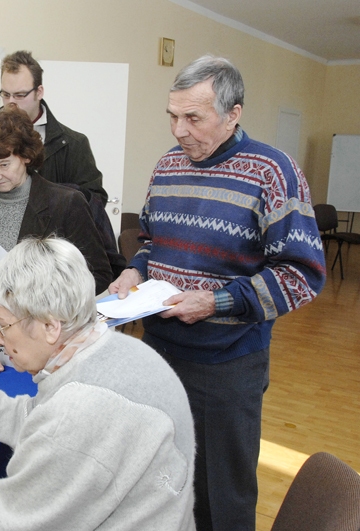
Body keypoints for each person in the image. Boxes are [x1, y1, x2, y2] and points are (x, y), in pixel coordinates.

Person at [109, 55, 327, 531]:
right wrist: (134, 272)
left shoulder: (272, 171)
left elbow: (302, 274)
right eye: (172, 115)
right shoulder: (167, 165)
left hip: (227, 364)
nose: (179, 130)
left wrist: (217, 301)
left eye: (193, 118)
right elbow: (151, 242)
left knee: (220, 495)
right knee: (161, 478)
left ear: (233, 114)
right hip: (159, 352)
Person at [0, 237, 196, 530]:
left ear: (49, 326)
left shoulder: (76, 414)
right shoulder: (127, 352)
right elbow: (35, 418)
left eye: (3, 325)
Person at [0, 107, 112, 373]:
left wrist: (39, 296)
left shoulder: (65, 203)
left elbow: (98, 275)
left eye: (3, 165)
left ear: (26, 156)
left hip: (50, 349)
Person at [0, 50, 108, 206]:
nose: (11, 102)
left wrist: (53, 197)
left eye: (20, 95)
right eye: (5, 94)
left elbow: (96, 200)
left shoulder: (73, 143)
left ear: (39, 92)